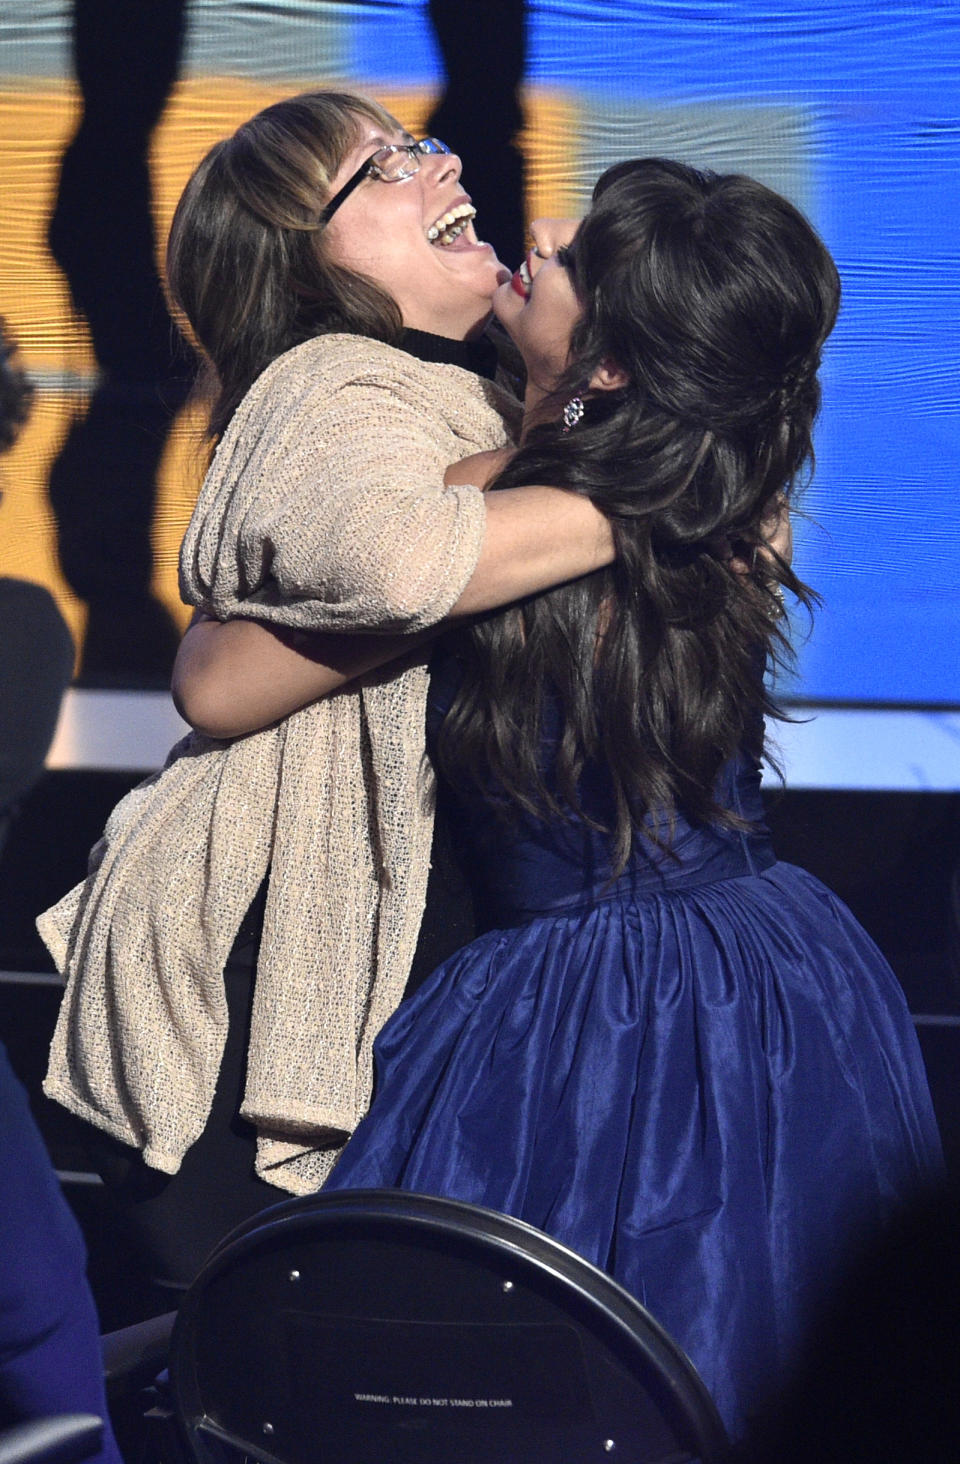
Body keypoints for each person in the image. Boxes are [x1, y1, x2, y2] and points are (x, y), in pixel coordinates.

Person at [174, 161, 944, 1439]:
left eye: (579, 258)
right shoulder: (724, 500)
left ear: (617, 362)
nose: (541, 232)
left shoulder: (507, 544)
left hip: (582, 1008)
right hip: (780, 968)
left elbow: (218, 675)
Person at [37, 90, 615, 1294]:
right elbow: (398, 555)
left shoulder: (446, 398)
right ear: (306, 265)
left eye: (421, 145)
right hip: (263, 1019)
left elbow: (253, 660)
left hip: (417, 981)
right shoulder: (335, 382)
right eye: (387, 164)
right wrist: (618, 452)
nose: (439, 159)